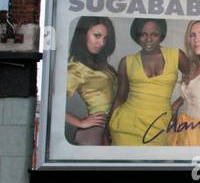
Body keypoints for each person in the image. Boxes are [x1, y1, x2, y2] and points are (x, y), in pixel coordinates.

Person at [108, 18, 189, 147]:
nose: (148, 39)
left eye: (154, 34)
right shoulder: (126, 62)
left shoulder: (177, 55)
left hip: (161, 125)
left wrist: (177, 105)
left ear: (161, 35)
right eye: (143, 34)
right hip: (126, 125)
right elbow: (120, 98)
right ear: (136, 35)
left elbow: (194, 81)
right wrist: (107, 130)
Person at [64, 16, 118, 146]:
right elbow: (52, 103)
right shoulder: (75, 67)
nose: (102, 43)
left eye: (105, 38)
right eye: (97, 36)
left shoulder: (100, 65)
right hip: (95, 131)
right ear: (83, 35)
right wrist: (80, 122)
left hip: (112, 128)